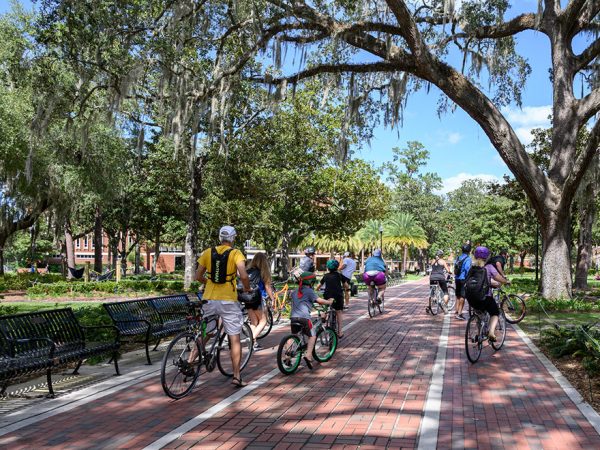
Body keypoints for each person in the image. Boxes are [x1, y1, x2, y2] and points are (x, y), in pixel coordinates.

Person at [196, 225, 251, 387]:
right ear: (233, 238)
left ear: (220, 237)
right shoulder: (236, 253)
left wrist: (210, 282)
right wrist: (247, 288)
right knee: (234, 338)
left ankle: (191, 361)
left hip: (209, 299)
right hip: (228, 300)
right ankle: (236, 376)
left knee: (205, 332)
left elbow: (198, 276)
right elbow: (244, 275)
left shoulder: (207, 252)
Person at [290, 272, 333, 369]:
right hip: (304, 318)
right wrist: (329, 301)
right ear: (311, 282)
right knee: (312, 336)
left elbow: (305, 302)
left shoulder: (295, 291)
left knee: (293, 336)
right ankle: (308, 355)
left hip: (293, 317)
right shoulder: (309, 291)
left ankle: (287, 356)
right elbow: (319, 301)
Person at [466, 246, 510, 342]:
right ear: (487, 256)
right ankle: (491, 332)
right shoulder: (489, 267)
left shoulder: (472, 267)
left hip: (471, 297)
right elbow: (499, 278)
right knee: (495, 313)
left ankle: (479, 334)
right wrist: (506, 281)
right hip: (484, 297)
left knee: (479, 314)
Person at [245, 252, 275, 351]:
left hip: (247, 298)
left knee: (254, 322)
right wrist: (272, 298)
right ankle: (251, 339)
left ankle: (254, 343)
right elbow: (267, 286)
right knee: (263, 322)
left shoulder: (248, 270)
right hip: (258, 298)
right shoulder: (263, 271)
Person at [316, 260, 345, 338]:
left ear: (328, 268)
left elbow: (318, 286)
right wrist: (347, 289)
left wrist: (317, 289)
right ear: (337, 267)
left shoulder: (325, 276)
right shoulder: (339, 275)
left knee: (326, 308)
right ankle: (340, 331)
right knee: (338, 312)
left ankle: (323, 316)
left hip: (328, 295)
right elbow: (346, 285)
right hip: (338, 296)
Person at [454, 244, 472, 320]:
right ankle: (460, 313)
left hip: (457, 278)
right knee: (462, 296)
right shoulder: (468, 259)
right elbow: (468, 269)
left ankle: (456, 311)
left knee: (458, 296)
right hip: (463, 279)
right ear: (469, 251)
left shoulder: (458, 257)